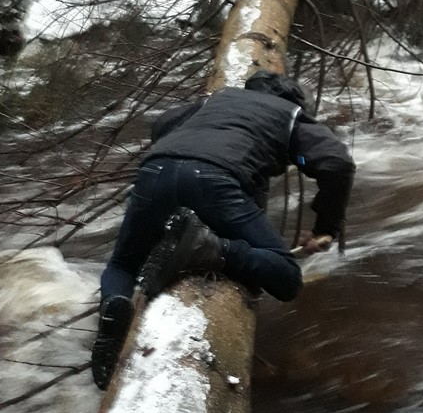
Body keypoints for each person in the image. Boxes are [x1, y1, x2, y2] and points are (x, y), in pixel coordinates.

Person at [91, 70, 355, 389]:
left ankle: (115, 305)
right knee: (287, 276)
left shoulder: (217, 99)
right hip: (214, 180)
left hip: (155, 170)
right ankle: (212, 249)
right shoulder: (291, 115)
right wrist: (325, 227)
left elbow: (163, 123)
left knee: (122, 264)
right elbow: (337, 163)